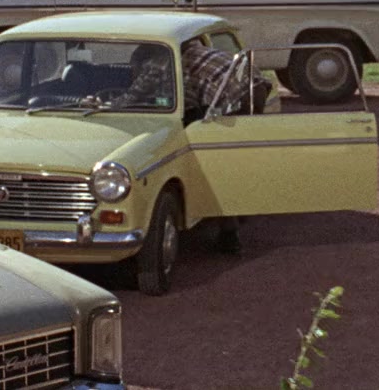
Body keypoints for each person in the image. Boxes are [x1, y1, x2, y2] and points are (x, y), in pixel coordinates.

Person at [180, 37, 273, 254]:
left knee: (219, 162)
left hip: (233, 100)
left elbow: (184, 103)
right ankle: (243, 207)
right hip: (256, 88)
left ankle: (229, 232)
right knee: (241, 156)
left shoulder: (178, 62)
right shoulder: (207, 51)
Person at [181, 38, 271, 122]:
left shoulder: (184, 67)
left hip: (238, 96)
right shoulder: (202, 49)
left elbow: (189, 110)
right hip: (256, 82)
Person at [107, 44, 174, 108]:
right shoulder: (169, 65)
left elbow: (169, 103)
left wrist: (151, 101)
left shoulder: (155, 73)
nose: (132, 70)